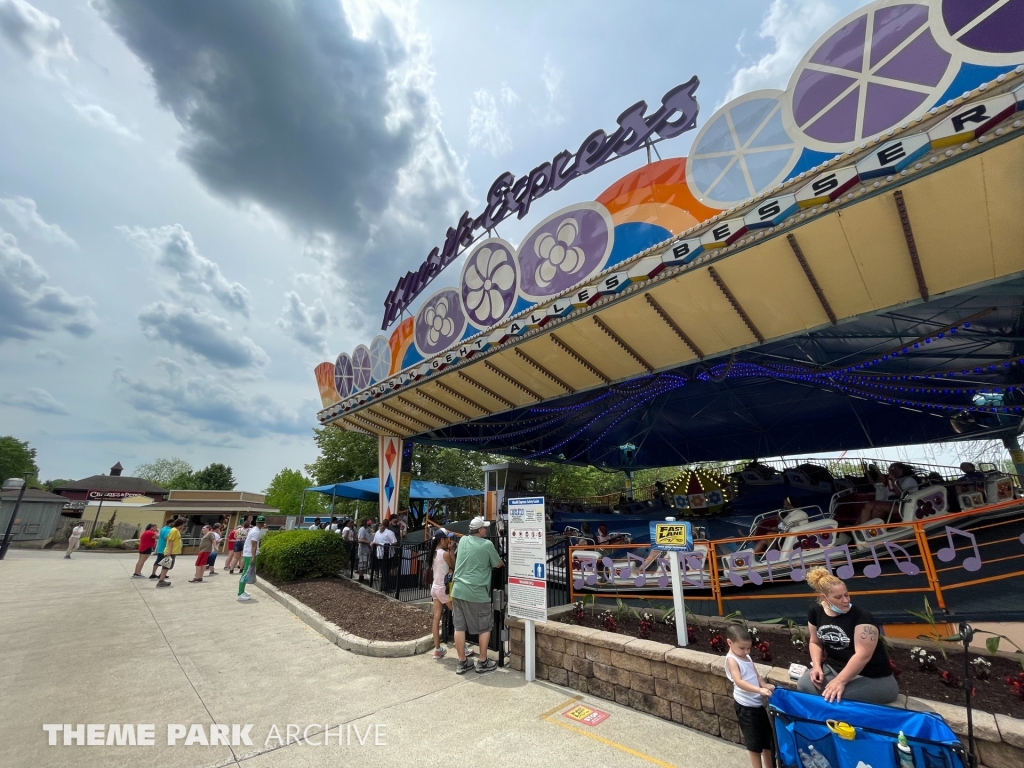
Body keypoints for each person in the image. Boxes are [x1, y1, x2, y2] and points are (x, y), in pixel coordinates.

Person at [796, 566, 899, 704]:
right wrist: (816, 666)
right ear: (824, 597)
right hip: (835, 669)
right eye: (838, 597)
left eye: (847, 595)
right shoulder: (815, 611)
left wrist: (839, 681)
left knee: (835, 698)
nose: (845, 600)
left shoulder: (862, 617)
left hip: (871, 677)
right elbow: (815, 642)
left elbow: (863, 655)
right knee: (804, 684)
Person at [451, 516, 503, 675]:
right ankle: (482, 662)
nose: (486, 530)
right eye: (485, 528)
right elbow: (498, 564)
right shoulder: (487, 545)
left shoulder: (464, 541)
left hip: (458, 590)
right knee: (484, 627)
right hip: (477, 592)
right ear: (480, 530)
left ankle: (462, 662)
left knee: (459, 627)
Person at [725, 624, 775, 768]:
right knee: (754, 743)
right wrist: (759, 691)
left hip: (757, 705)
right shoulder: (732, 660)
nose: (746, 651)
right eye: (742, 648)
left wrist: (764, 684)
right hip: (745, 707)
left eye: (748, 648)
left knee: (767, 739)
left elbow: (755, 674)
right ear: (730, 643)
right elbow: (739, 681)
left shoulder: (745, 656)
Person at [429, 530, 456, 660]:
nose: (448, 541)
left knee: (436, 618)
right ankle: (463, 647)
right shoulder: (445, 554)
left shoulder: (433, 553)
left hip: (435, 588)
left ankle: (437, 649)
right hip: (443, 589)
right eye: (446, 538)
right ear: (441, 540)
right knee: (458, 614)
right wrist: (451, 550)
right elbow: (454, 565)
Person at [237, 516, 267, 602]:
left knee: (246, 572)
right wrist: (253, 556)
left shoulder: (253, 529)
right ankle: (240, 593)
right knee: (246, 573)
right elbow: (253, 544)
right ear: (262, 523)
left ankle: (242, 591)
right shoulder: (256, 532)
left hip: (248, 553)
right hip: (250, 554)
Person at [156, 518, 185, 588]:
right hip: (171, 552)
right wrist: (169, 551)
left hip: (173, 552)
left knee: (168, 566)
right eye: (183, 524)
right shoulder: (174, 530)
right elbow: (170, 541)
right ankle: (161, 581)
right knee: (166, 566)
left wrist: (180, 530)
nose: (184, 526)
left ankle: (161, 580)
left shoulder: (176, 531)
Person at [372, 520, 397, 587]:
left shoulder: (377, 532)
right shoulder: (390, 533)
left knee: (382, 569)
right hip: (388, 554)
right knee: (386, 569)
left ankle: (383, 584)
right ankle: (385, 585)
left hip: (379, 553)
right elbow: (394, 542)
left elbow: (374, 541)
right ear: (388, 524)